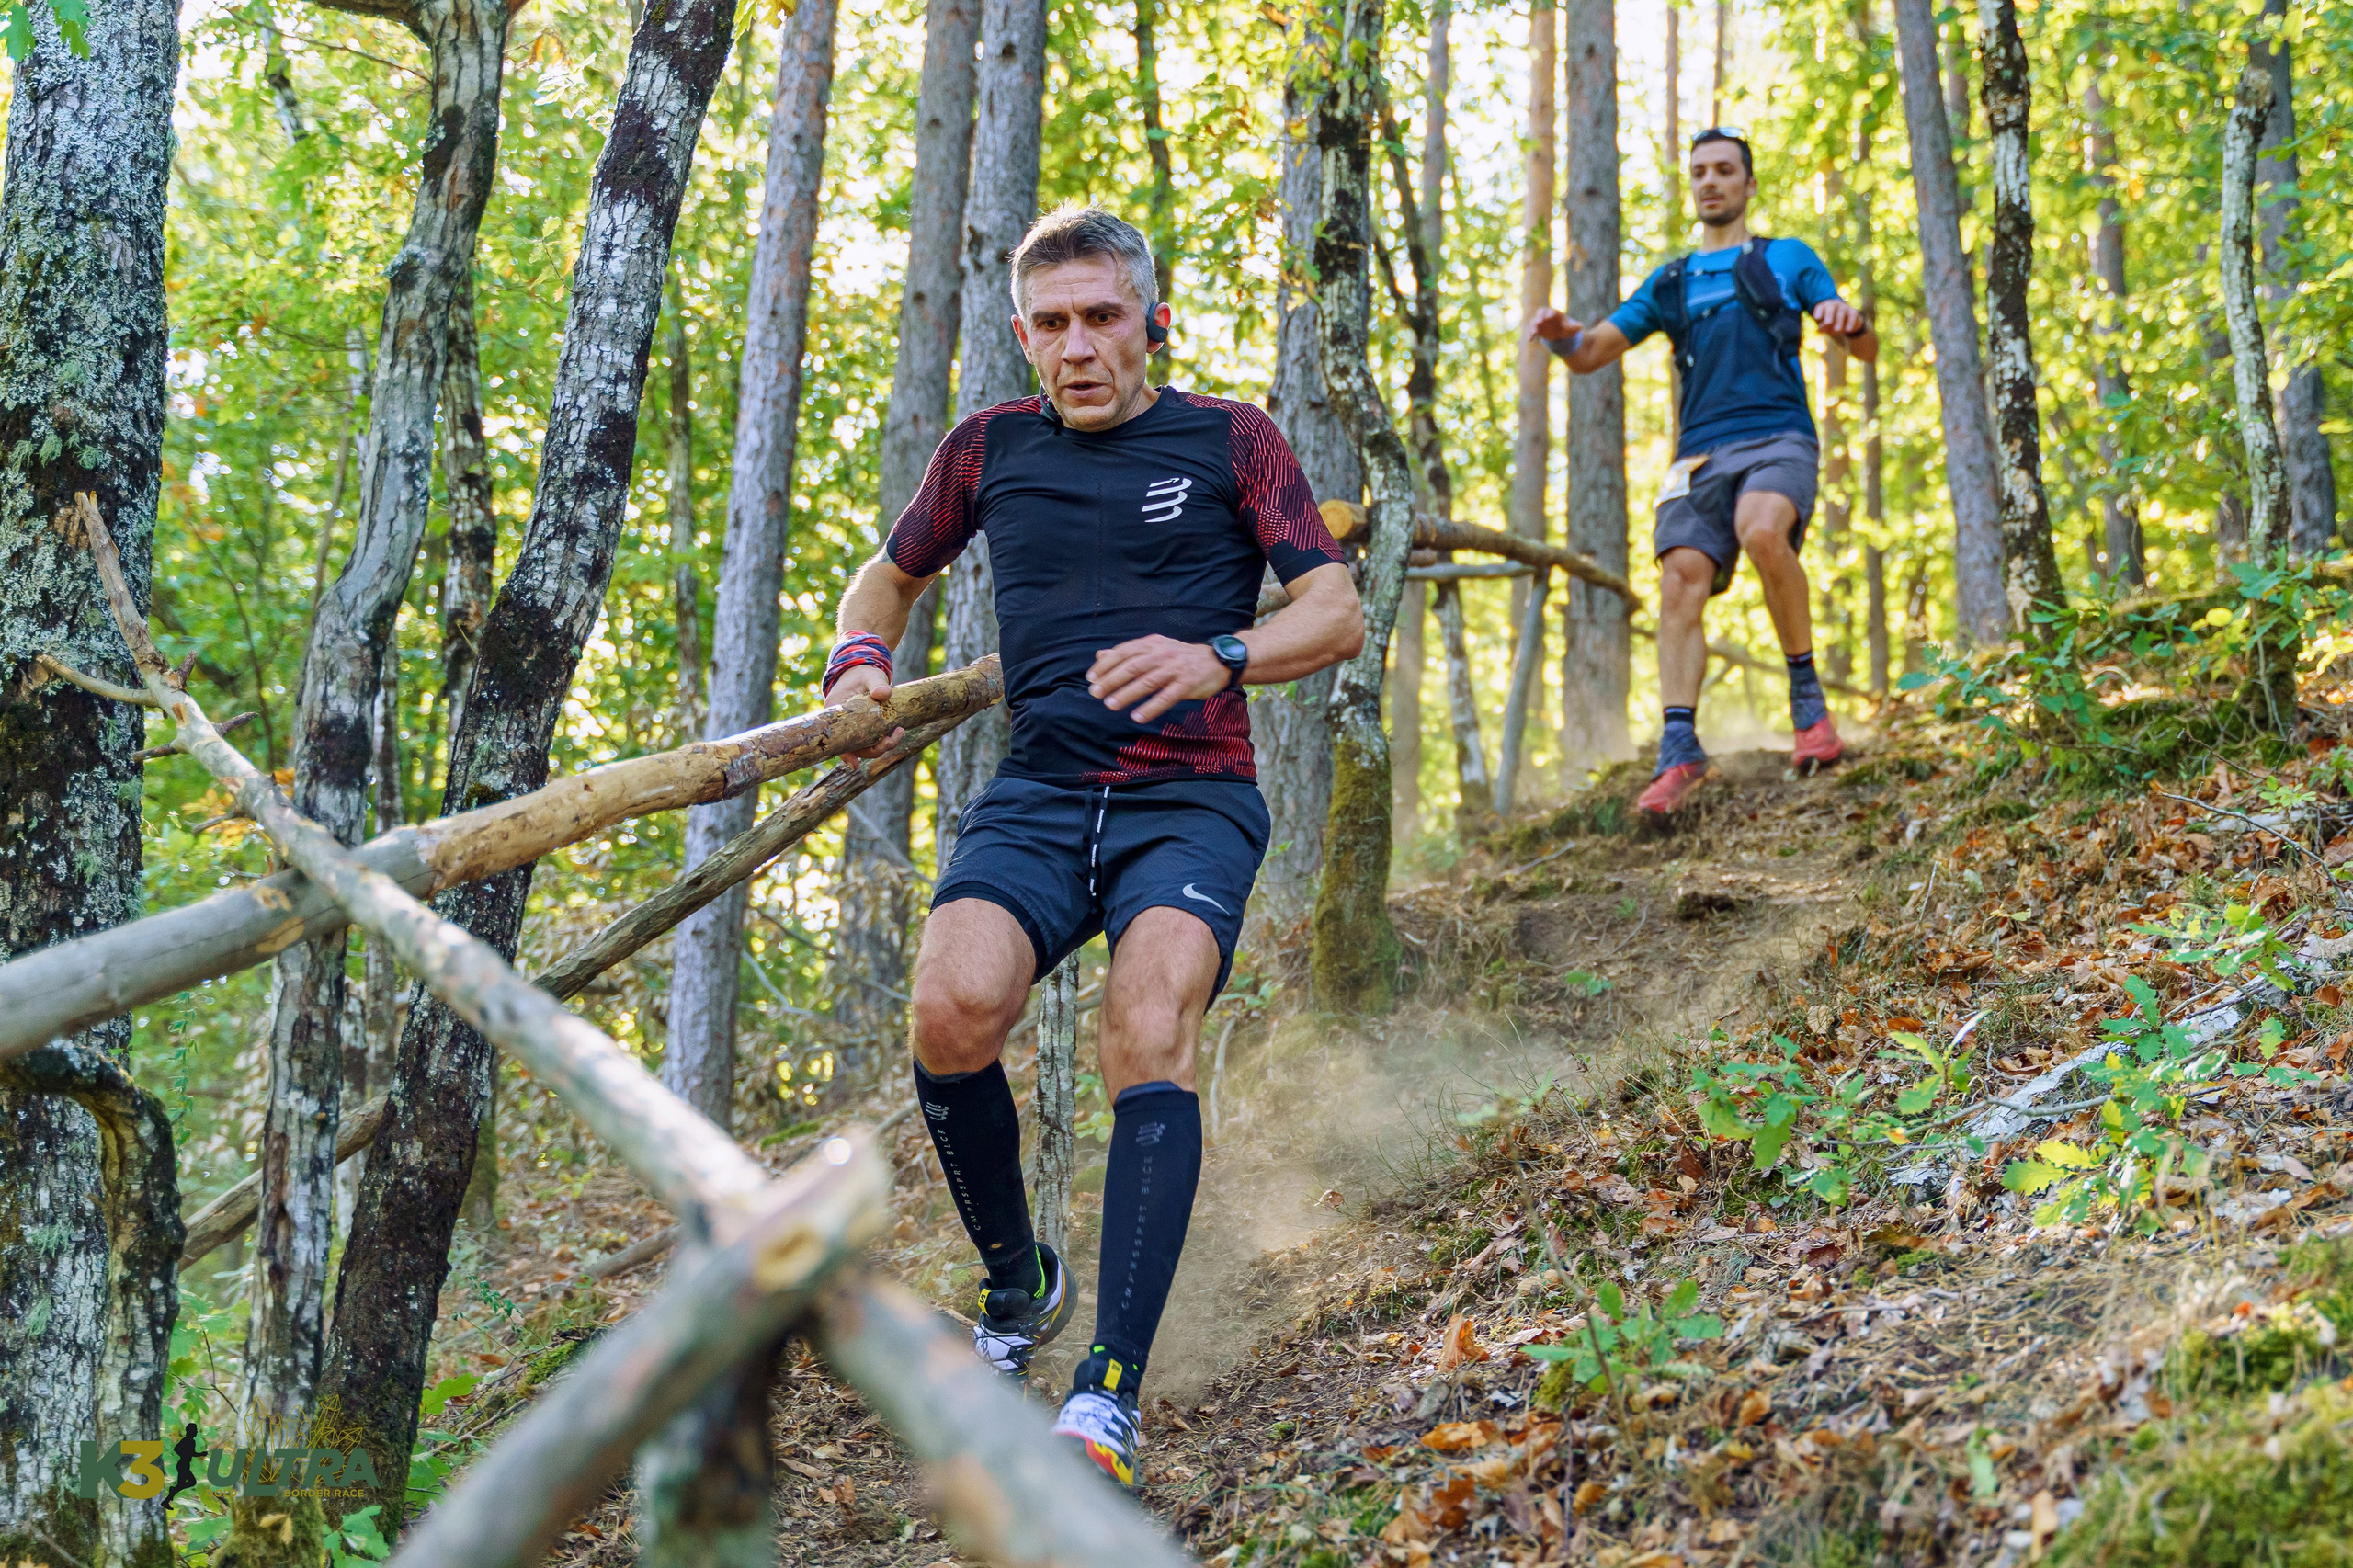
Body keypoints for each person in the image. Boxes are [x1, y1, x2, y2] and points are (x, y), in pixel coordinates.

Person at [819, 204, 1364, 1489]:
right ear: (1024, 335)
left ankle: (1106, 1391)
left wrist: (1218, 652)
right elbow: (885, 580)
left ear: (1151, 322)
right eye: (1052, 324)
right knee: (951, 1007)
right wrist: (857, 667)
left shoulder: (1235, 440)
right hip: (1044, 790)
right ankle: (1018, 1293)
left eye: (1102, 318)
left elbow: (1333, 610)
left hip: (1191, 797)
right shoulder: (987, 449)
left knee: (1148, 1020)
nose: (1077, 347)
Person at [1528, 127, 1877, 814]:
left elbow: (1863, 347)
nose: (1711, 181)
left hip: (1778, 438)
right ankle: (1680, 749)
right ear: (1692, 188)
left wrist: (1848, 318)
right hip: (1698, 455)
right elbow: (1592, 350)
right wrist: (1560, 332)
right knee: (1680, 577)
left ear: (1749, 184)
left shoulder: (1787, 259)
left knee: (1760, 529)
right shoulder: (1672, 280)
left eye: (1724, 170)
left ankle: (1809, 708)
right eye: (1699, 173)